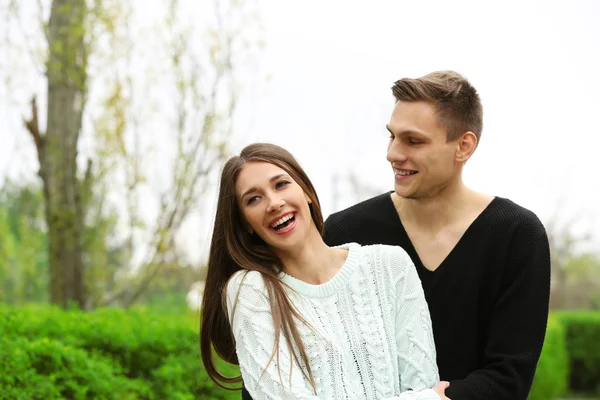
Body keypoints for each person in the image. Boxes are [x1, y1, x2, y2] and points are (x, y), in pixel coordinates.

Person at [322, 71, 551, 400]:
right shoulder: (345, 232)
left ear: (464, 146)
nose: (393, 153)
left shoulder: (516, 235)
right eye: (392, 136)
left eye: (413, 141)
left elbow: (510, 376)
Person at [201, 143, 450, 399]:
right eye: (254, 199)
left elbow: (422, 382)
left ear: (306, 190)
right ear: (246, 225)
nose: (274, 203)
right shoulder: (251, 291)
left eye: (281, 184)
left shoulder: (391, 266)